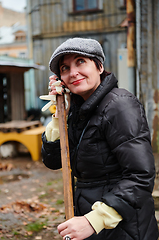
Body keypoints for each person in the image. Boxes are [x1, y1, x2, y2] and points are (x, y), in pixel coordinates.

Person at [41, 37, 158, 240]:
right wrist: (60, 112)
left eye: (80, 62)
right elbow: (53, 161)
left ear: (99, 66)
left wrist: (93, 220)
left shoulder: (119, 105)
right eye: (64, 68)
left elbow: (140, 176)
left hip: (124, 227)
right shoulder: (80, 110)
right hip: (96, 224)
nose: (73, 72)